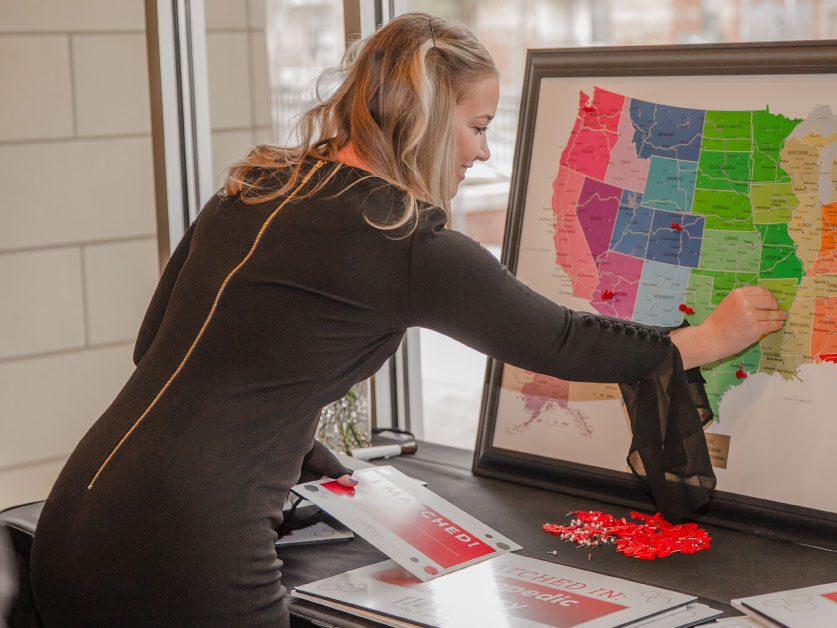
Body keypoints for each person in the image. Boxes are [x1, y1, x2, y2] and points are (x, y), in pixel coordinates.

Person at [29, 12, 786, 628]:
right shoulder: (401, 238)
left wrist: (284, 430)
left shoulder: (257, 183)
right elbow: (558, 340)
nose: (483, 154)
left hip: (73, 521)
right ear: (426, 121)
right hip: (193, 548)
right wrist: (706, 340)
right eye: (478, 126)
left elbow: (157, 344)